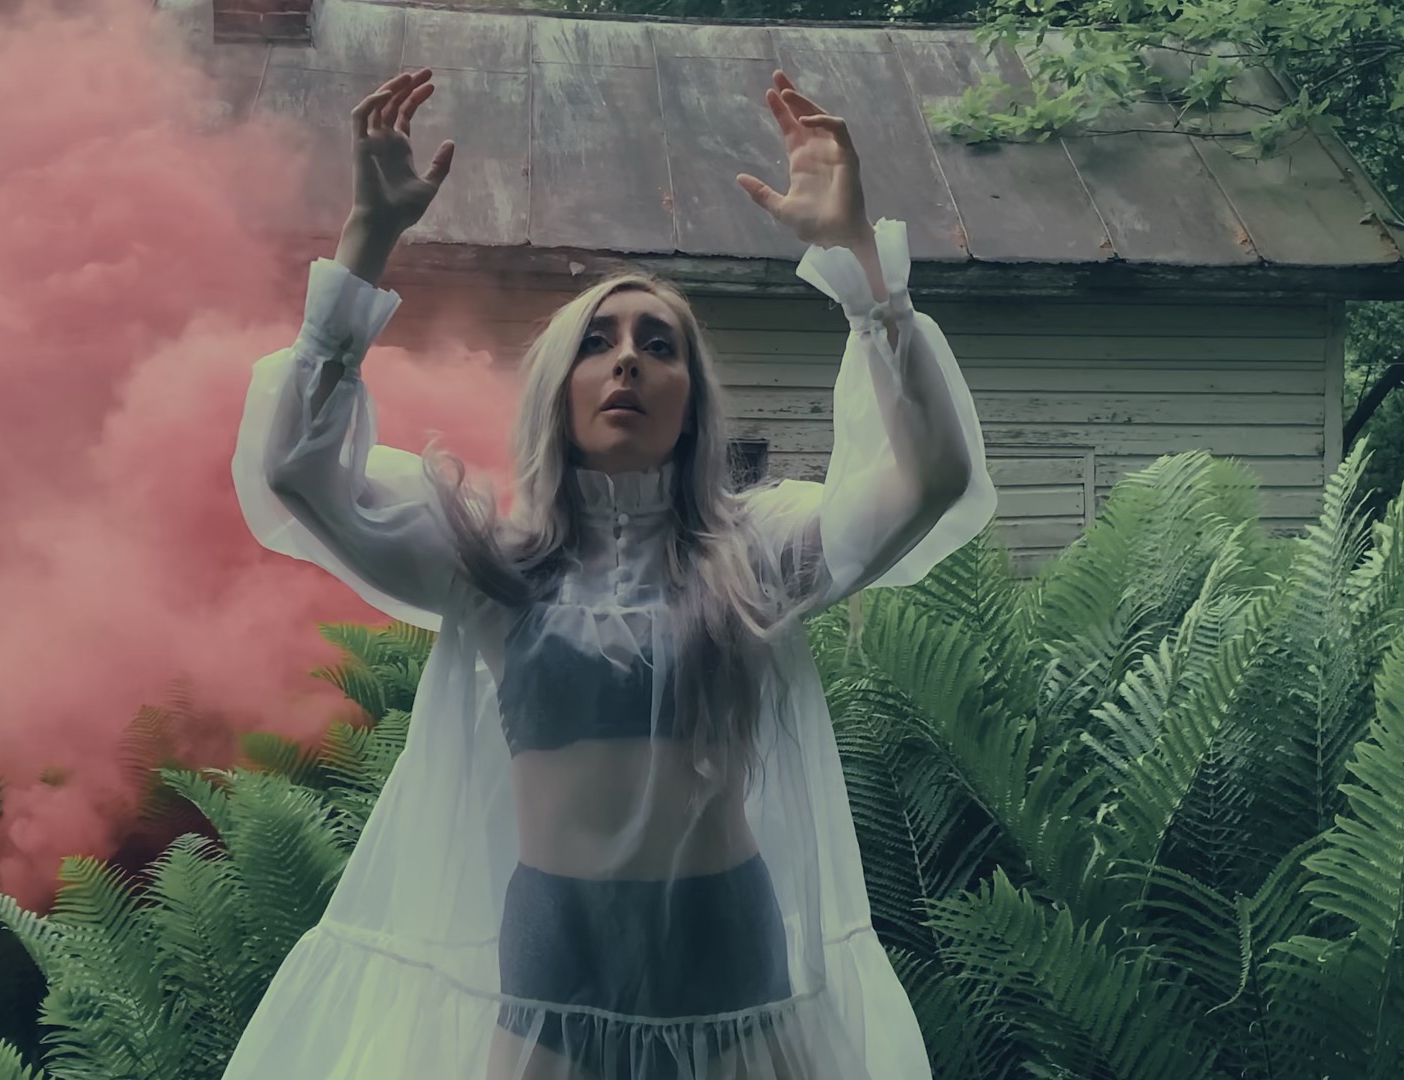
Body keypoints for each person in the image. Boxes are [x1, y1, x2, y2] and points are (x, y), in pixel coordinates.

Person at [225, 65, 996, 1080]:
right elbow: (296, 473)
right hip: (551, 979)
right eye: (598, 341)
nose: (627, 358)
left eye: (658, 344)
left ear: (691, 399)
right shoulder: (490, 563)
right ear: (559, 387)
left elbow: (933, 478)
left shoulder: (757, 552)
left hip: (734, 983)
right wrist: (366, 238)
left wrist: (863, 271)